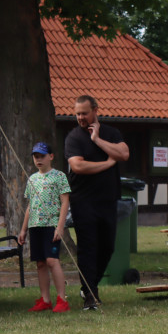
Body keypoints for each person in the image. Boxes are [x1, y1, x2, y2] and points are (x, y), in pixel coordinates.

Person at [65, 94, 130, 311]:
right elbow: (78, 167)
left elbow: (124, 153)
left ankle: (88, 285)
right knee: (87, 248)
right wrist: (107, 163)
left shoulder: (111, 132)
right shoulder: (73, 138)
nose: (80, 117)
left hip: (108, 199)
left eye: (84, 113)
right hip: (82, 201)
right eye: (77, 114)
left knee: (108, 247)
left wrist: (98, 141)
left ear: (95, 110)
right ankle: (90, 295)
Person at [18, 142, 71, 313]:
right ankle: (45, 299)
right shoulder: (32, 179)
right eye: (36, 156)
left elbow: (65, 202)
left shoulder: (59, 176)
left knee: (51, 260)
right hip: (35, 225)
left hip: (51, 224)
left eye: (42, 156)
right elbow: (29, 205)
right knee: (40, 263)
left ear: (51, 156)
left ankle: (62, 299)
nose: (38, 159)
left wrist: (60, 226)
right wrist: (23, 229)